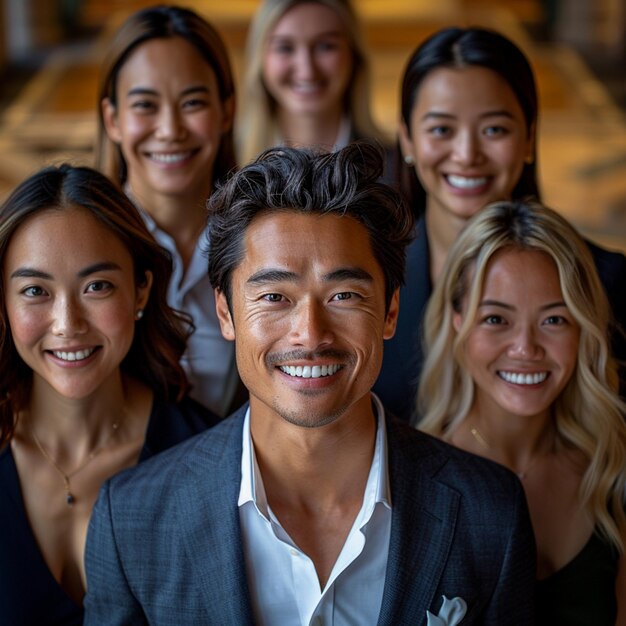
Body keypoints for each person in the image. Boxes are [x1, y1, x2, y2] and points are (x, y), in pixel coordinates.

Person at [84, 142, 535, 625]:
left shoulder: (490, 513)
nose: (311, 335)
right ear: (225, 312)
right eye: (275, 296)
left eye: (343, 295)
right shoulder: (132, 519)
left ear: (390, 311)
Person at [0, 164, 219, 625]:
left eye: (97, 286)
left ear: (141, 289)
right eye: (35, 290)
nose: (67, 323)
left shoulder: (207, 461)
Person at [373, 26, 626, 423]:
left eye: (494, 129)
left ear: (529, 139)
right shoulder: (368, 280)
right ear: (406, 140)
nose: (467, 154)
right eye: (441, 129)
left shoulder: (608, 281)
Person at [418, 200, 626, 625]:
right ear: (457, 319)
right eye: (496, 319)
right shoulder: (411, 481)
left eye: (554, 320)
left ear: (584, 327)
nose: (526, 349)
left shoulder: (612, 467)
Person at [96, 5, 241, 416]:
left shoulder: (256, 240)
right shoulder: (84, 239)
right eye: (145, 105)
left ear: (226, 110)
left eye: (192, 102)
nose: (170, 129)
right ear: (113, 119)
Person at [236, 0, 388, 165]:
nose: (307, 72)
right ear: (260, 60)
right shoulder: (224, 163)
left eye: (326, 46)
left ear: (354, 56)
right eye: (285, 48)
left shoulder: (396, 167)